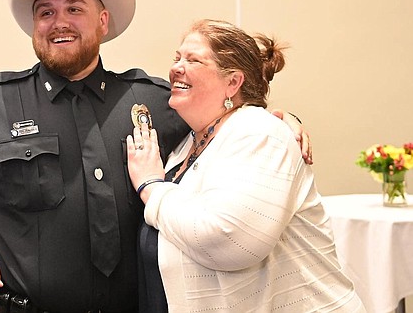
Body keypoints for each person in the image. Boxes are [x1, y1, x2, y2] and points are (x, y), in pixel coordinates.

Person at [0, 0, 310, 313]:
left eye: (74, 9)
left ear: (102, 22)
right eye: (45, 12)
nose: (58, 22)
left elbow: (220, 115)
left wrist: (275, 118)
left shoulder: (153, 101)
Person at [126, 19, 364, 312]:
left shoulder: (261, 134)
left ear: (233, 82)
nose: (176, 67)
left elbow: (229, 241)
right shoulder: (189, 142)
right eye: (177, 57)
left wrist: (151, 187)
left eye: (193, 60)